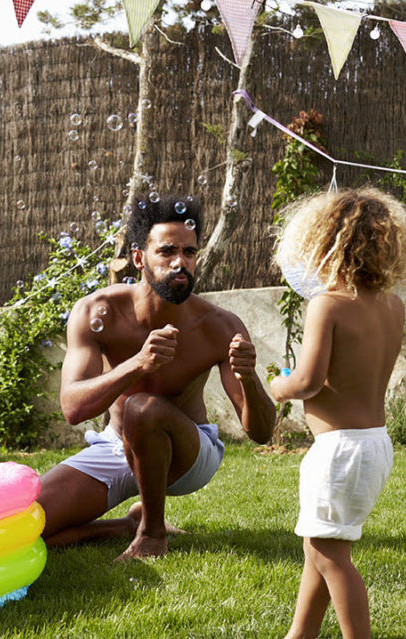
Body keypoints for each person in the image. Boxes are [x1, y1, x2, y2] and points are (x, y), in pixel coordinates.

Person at [37, 196, 277, 561]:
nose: (180, 262)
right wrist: (137, 364)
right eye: (167, 251)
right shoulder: (95, 311)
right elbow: (72, 408)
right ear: (139, 258)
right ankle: (124, 526)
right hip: (117, 448)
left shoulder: (220, 325)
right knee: (28, 525)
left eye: (190, 252)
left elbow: (261, 432)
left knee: (142, 407)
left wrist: (248, 379)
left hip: (187, 455)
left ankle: (152, 534)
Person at [270, 188, 406, 639]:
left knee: (329, 554)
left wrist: (279, 385)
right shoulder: (392, 306)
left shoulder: (328, 303)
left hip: (339, 450)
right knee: (321, 548)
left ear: (324, 242)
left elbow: (309, 381)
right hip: (373, 443)